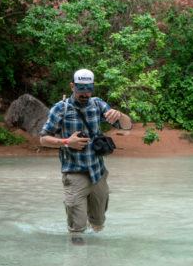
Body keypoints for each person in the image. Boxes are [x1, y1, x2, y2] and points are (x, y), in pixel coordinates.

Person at [39, 69, 132, 241]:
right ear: (72, 86)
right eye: (81, 89)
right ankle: (77, 263)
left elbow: (126, 127)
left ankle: (95, 262)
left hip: (98, 173)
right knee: (77, 229)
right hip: (74, 174)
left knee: (98, 224)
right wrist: (67, 142)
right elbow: (43, 139)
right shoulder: (60, 109)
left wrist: (120, 114)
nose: (85, 94)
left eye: (88, 89)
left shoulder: (97, 104)